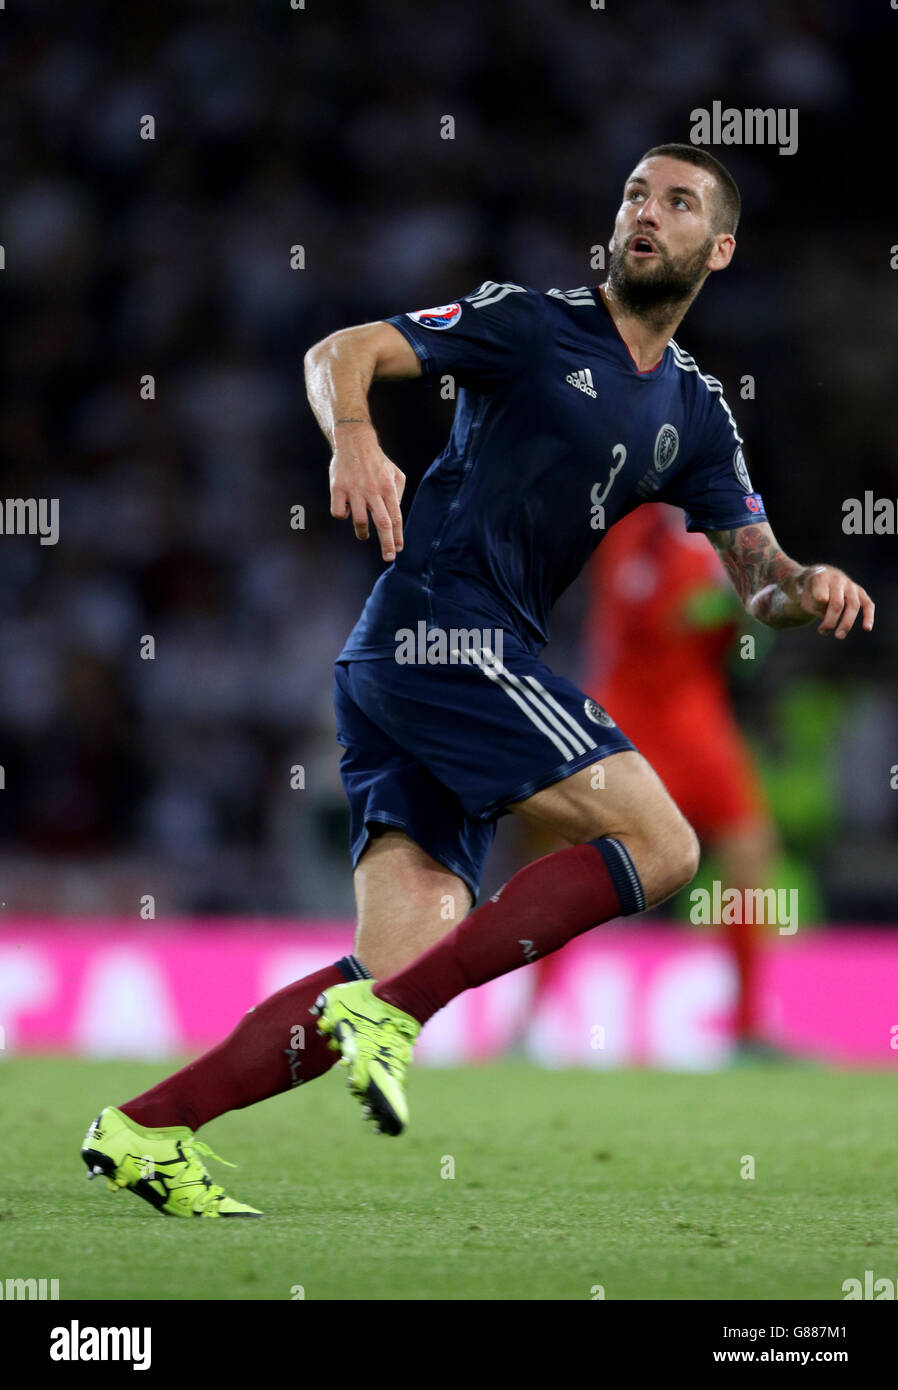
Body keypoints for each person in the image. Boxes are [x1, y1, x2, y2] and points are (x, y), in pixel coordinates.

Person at [81, 145, 873, 1215]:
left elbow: (757, 579)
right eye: (635, 192)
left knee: (388, 961)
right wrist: (355, 439)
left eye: (677, 202)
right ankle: (397, 1017)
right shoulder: (531, 324)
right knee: (665, 844)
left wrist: (804, 585)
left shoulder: (695, 411)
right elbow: (339, 349)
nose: (645, 211)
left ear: (717, 248)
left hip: (402, 668)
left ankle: (145, 1130)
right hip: (442, 636)